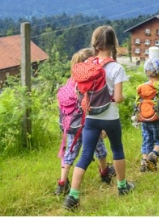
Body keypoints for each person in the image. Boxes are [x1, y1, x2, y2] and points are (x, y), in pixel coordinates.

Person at [63, 26, 135, 211]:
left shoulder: (87, 63)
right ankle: (122, 186)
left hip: (90, 118)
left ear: (95, 43)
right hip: (110, 117)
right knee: (117, 149)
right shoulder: (116, 68)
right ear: (114, 43)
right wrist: (123, 98)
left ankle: (73, 196)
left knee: (86, 155)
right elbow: (118, 98)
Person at [54, 48, 116, 196]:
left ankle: (62, 183)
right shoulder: (88, 84)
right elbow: (92, 107)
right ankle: (104, 172)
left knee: (69, 153)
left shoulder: (69, 84)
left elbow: (60, 106)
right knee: (99, 148)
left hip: (71, 126)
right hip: (88, 125)